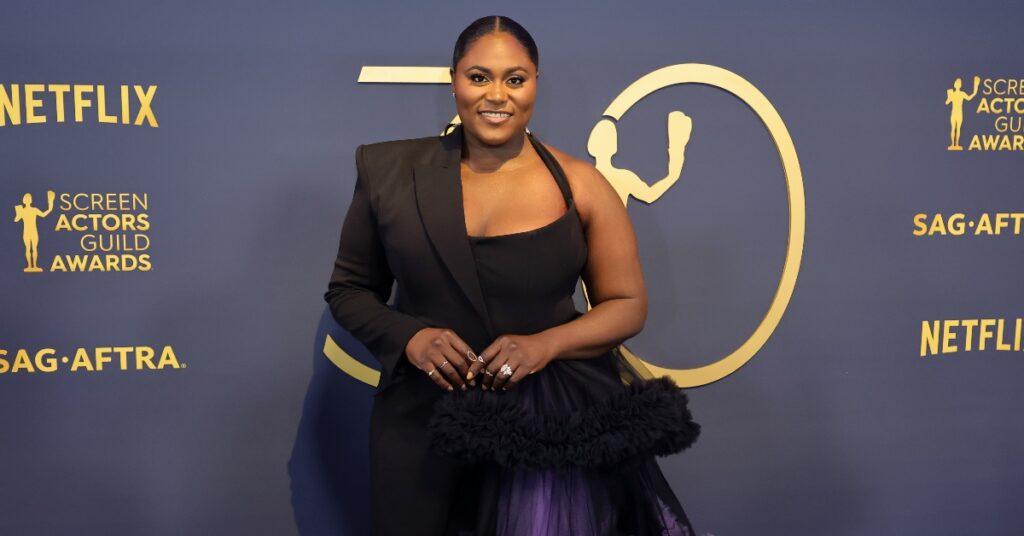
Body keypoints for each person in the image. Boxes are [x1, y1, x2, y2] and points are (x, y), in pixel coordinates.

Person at [325, 15, 700, 536]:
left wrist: (542, 346)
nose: (496, 95)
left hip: (547, 431)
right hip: (420, 428)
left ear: (535, 84)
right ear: (453, 79)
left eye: (514, 79)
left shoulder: (583, 185)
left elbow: (626, 304)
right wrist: (411, 337)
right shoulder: (388, 172)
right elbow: (348, 291)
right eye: (479, 77)